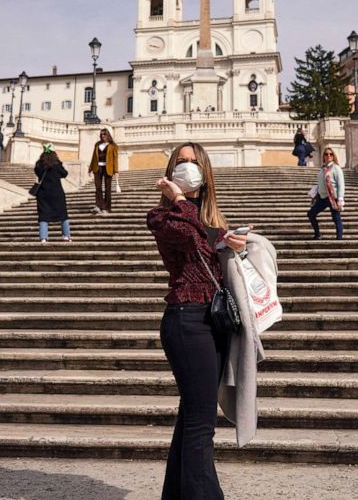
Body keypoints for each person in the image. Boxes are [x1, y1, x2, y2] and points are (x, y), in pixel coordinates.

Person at [147, 141, 247, 500]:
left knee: (190, 419)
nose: (186, 167)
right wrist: (177, 197)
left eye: (193, 162)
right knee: (201, 426)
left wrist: (237, 246)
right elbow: (188, 234)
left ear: (204, 172)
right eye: (180, 162)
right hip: (186, 321)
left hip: (215, 322)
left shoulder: (213, 223)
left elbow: (217, 258)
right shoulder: (162, 216)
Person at [35, 145, 71, 243]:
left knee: (43, 215)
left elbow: (37, 173)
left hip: (43, 193)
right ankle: (66, 236)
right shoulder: (57, 163)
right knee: (63, 214)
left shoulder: (39, 164)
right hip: (56, 193)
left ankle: (43, 237)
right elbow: (64, 174)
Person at [308, 147, 345, 239]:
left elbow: (341, 184)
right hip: (322, 197)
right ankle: (317, 234)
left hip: (333, 196)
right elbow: (320, 183)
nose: (328, 156)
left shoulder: (336, 168)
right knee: (311, 214)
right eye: (326, 154)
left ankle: (339, 239)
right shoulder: (322, 170)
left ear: (333, 156)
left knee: (336, 217)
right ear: (323, 157)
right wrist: (315, 192)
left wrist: (340, 199)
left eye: (331, 154)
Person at [88, 128, 118, 215]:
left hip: (108, 168)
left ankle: (106, 208)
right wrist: (90, 168)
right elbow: (93, 157)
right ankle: (98, 206)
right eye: (101, 134)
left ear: (108, 134)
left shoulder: (113, 145)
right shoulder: (97, 144)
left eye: (104, 134)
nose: (103, 136)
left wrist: (116, 171)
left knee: (107, 189)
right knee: (98, 188)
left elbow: (115, 159)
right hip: (97, 168)